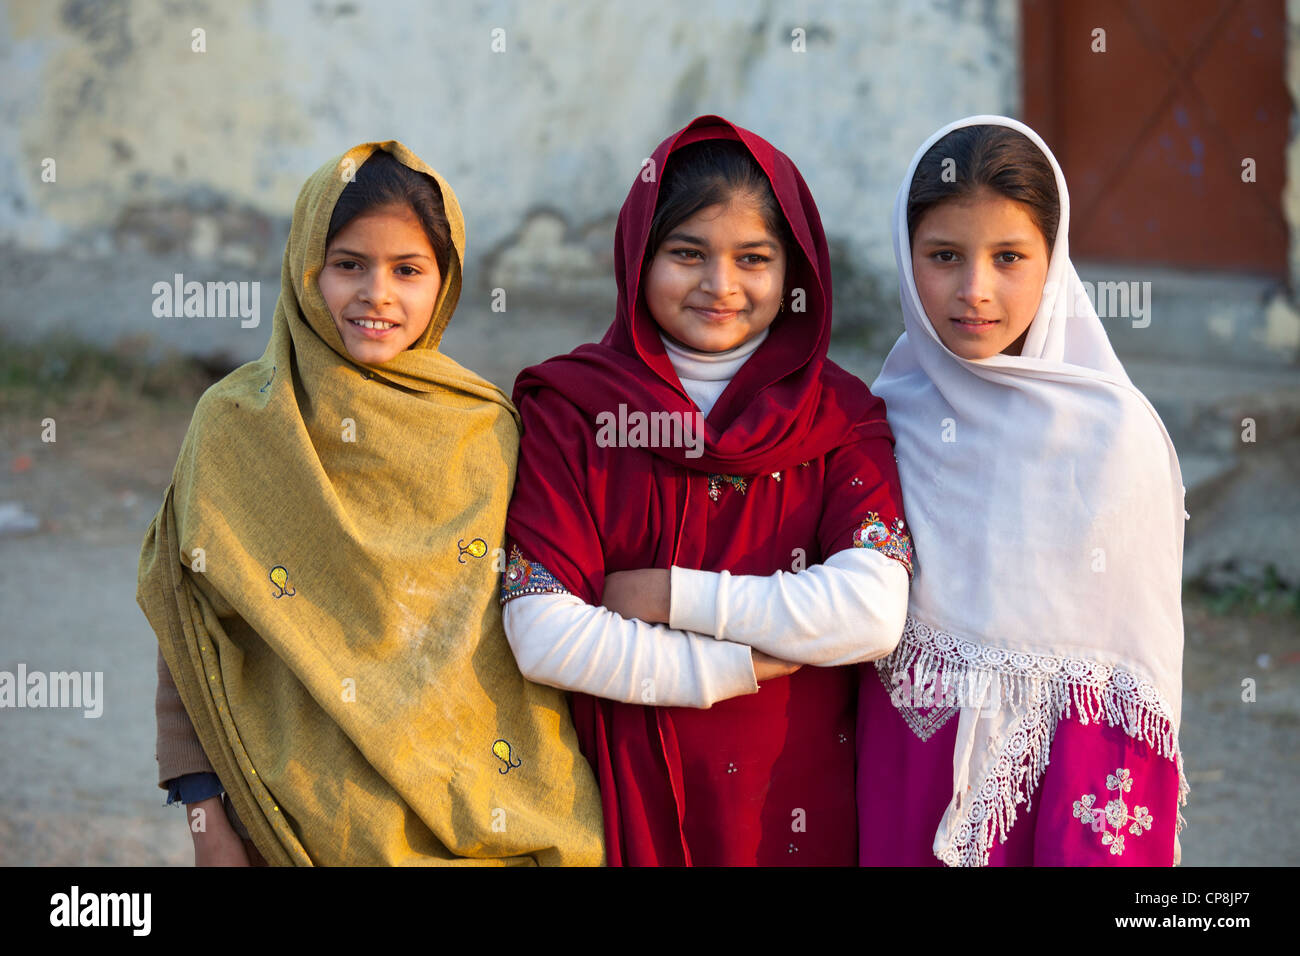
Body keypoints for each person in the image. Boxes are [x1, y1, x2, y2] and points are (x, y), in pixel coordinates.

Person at [138, 142, 605, 866]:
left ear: (444, 283)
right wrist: (207, 820)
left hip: (479, 819)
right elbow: (187, 633)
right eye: (348, 264)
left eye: (408, 270)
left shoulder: (485, 430)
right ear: (304, 268)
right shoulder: (238, 427)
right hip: (291, 824)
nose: (376, 294)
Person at [500, 116, 913, 866]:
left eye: (753, 258)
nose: (720, 286)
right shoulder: (574, 409)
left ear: (796, 272)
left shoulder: (840, 416)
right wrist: (733, 666)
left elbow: (872, 613)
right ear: (637, 257)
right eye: (687, 253)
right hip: (617, 799)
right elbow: (542, 634)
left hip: (798, 805)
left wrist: (669, 597)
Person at [859, 115, 1189, 866]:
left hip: (1063, 795)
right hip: (904, 768)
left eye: (1009, 256)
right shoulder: (882, 418)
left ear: (1054, 260)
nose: (975, 290)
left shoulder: (1115, 439)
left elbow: (1116, 679)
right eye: (945, 256)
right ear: (907, 260)